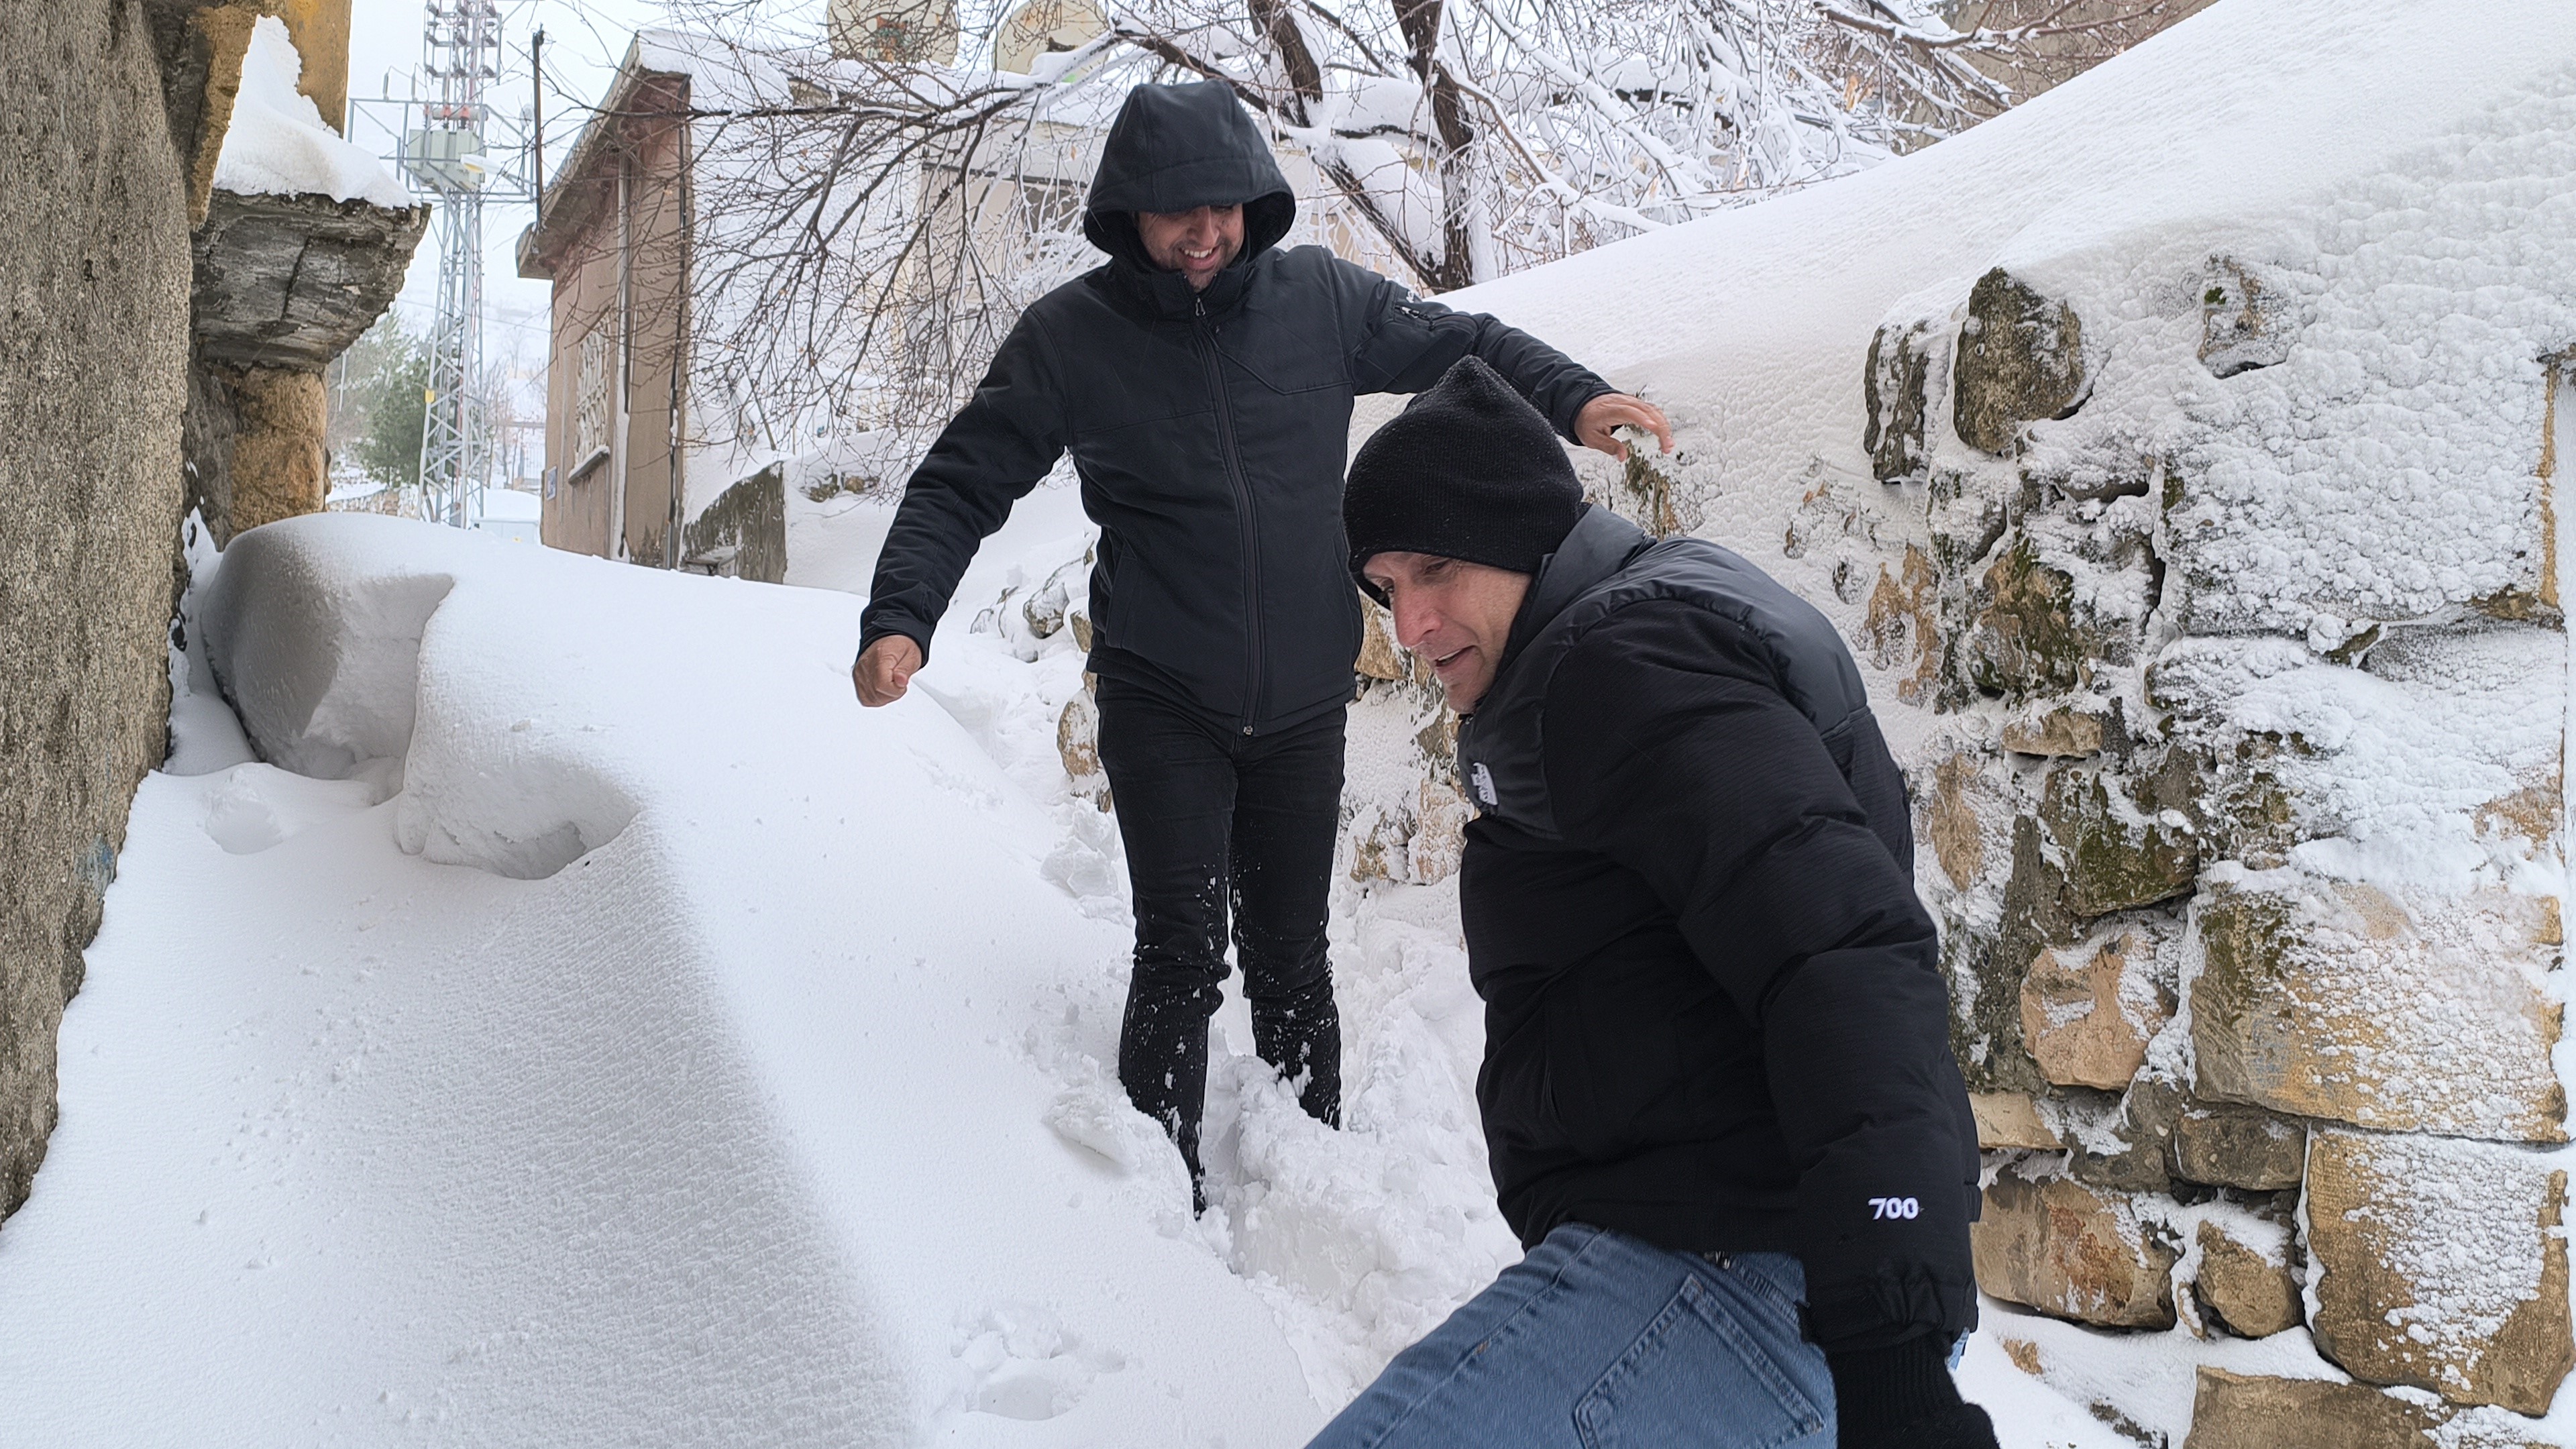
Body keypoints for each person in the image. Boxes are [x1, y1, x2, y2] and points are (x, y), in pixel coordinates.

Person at [851, 81, 1672, 1195]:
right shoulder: (1071, 340)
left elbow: (1462, 342)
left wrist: (1572, 399)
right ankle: (1159, 1191)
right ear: (1127, 214)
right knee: (1182, 955)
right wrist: (902, 616)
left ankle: (1311, 1176)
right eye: (1176, 211)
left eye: (1226, 206)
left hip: (1299, 702)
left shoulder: (1320, 301)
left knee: (1293, 958)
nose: (1205, 232)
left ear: (1257, 202)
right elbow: (961, 483)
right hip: (1162, 697)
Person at [1321, 356, 1994, 1449]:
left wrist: (1892, 1352)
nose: (1410, 622)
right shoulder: (1616, 634)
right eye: (1387, 584)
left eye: (1436, 566)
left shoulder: (1621, 664)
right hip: (1704, 1253)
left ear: (1522, 536)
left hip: (1744, 1277)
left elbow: (1840, 949)